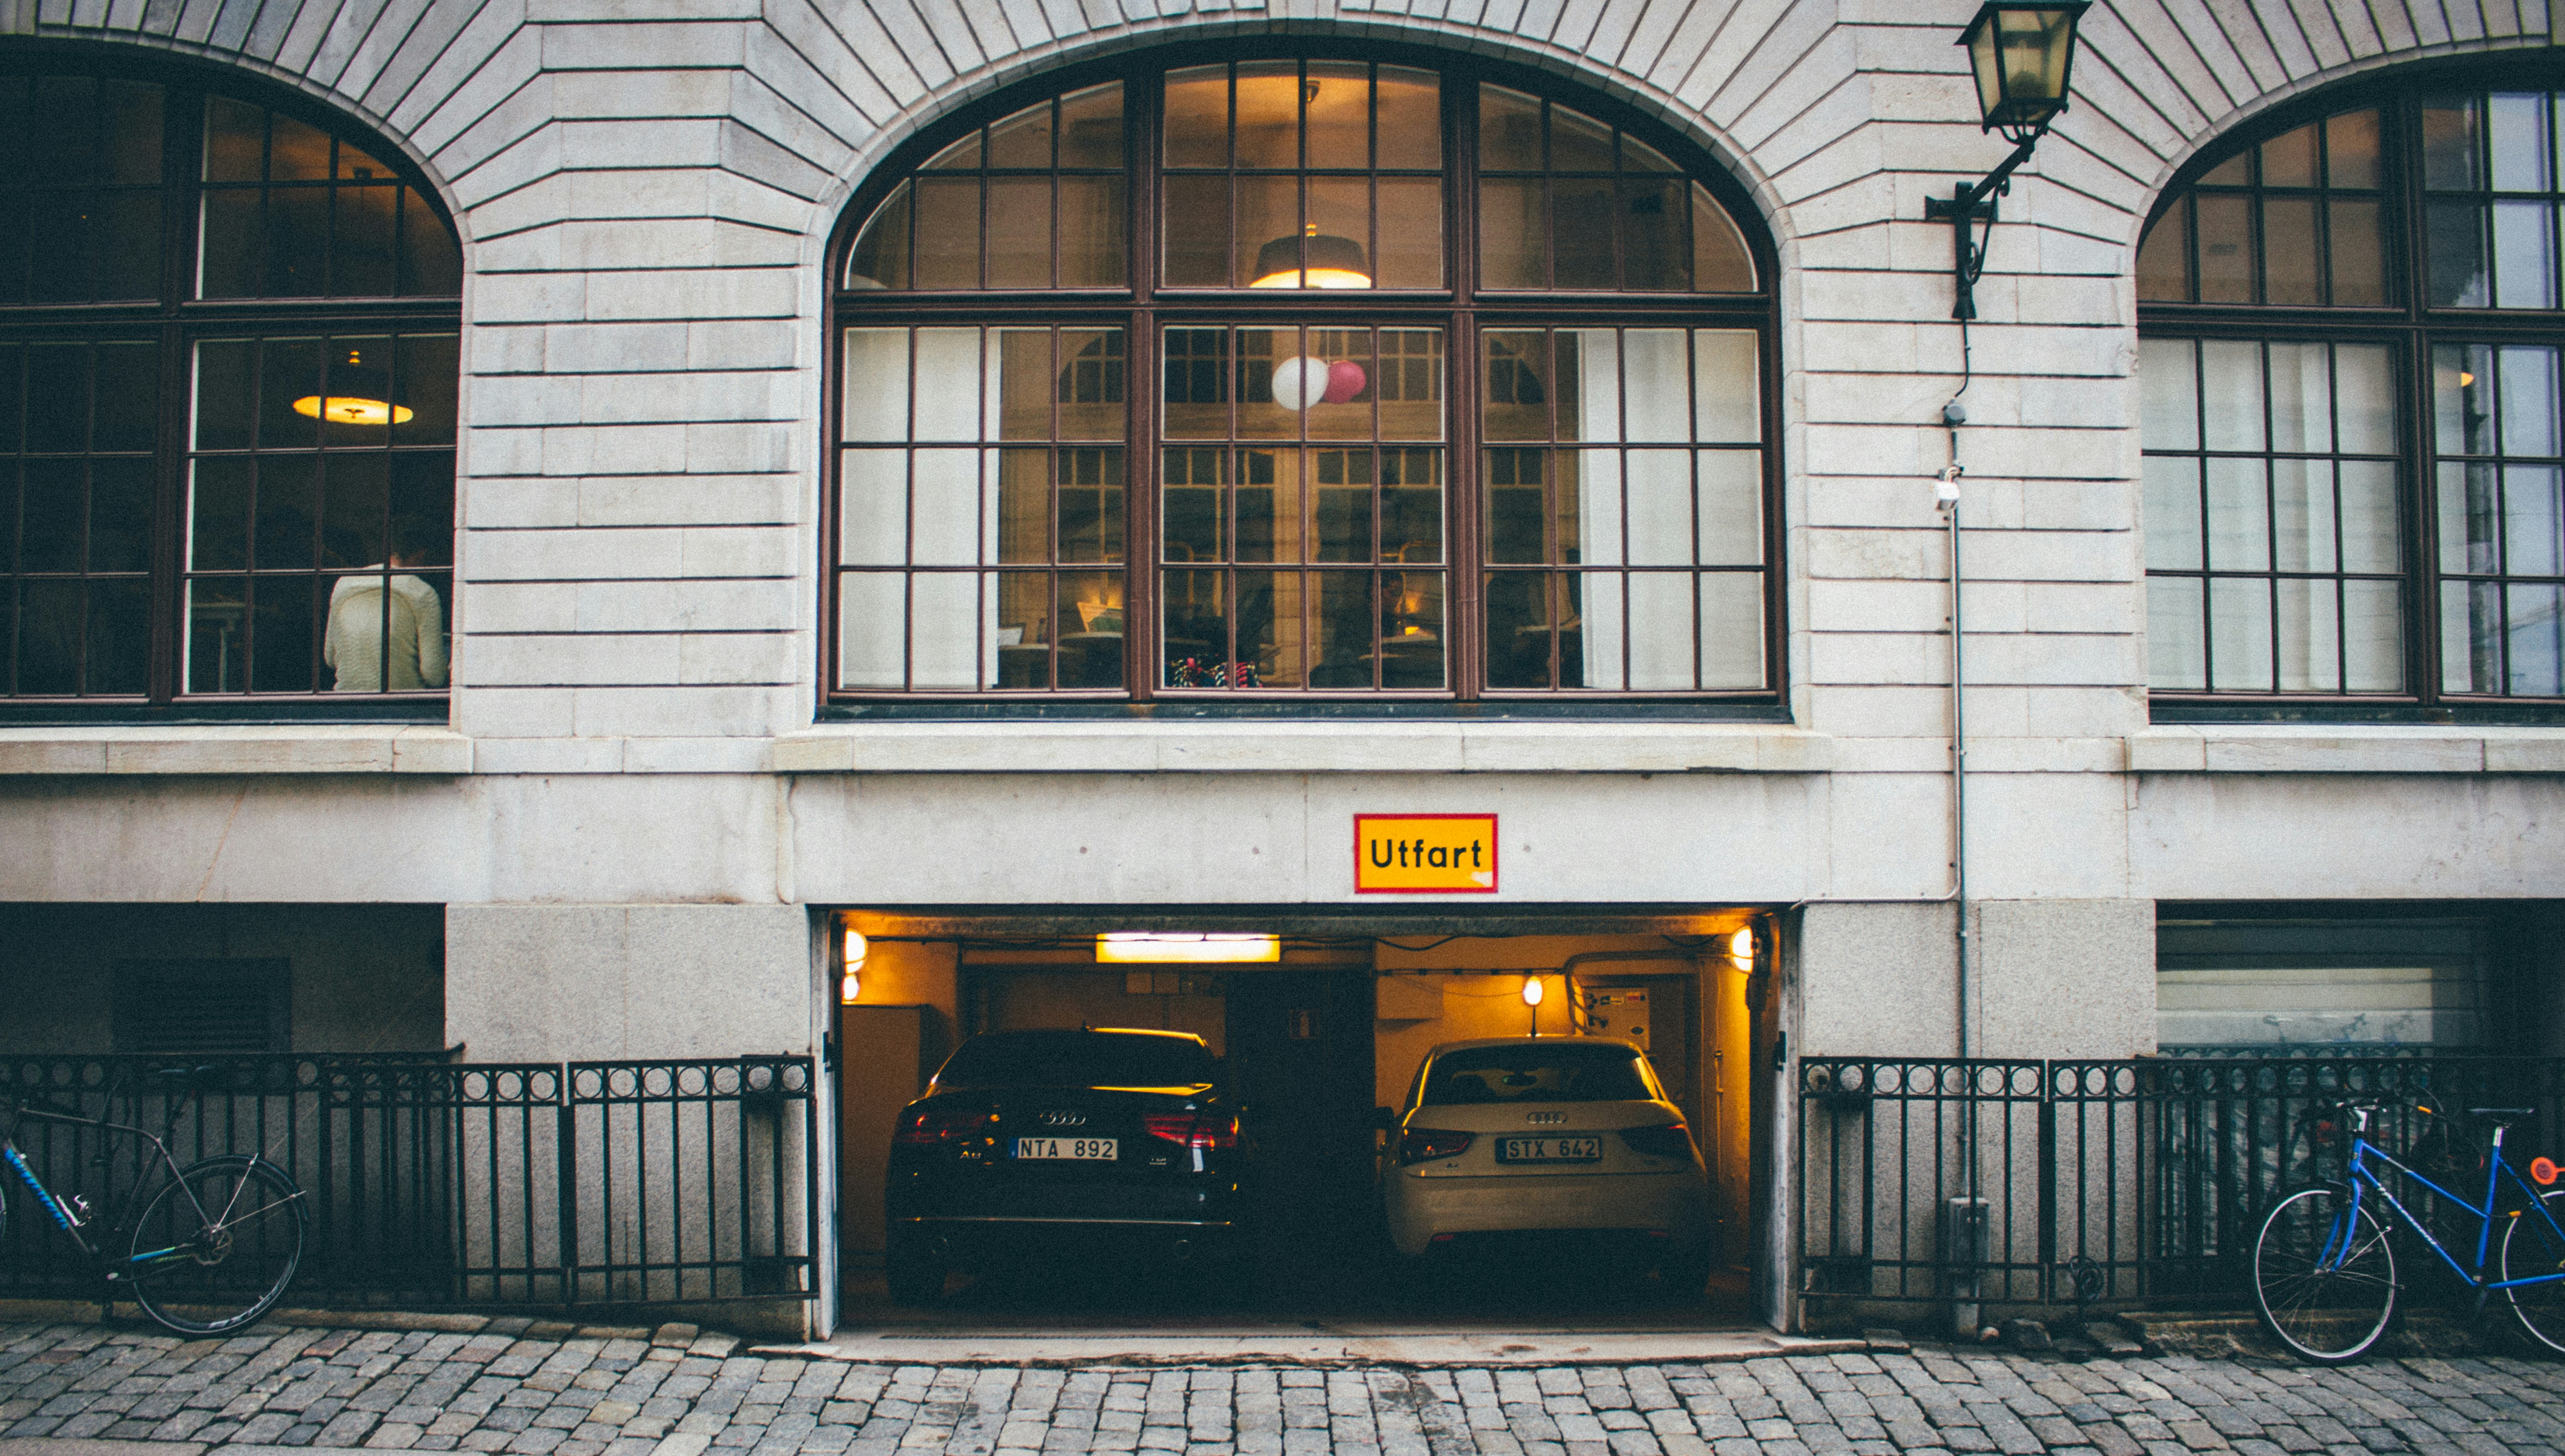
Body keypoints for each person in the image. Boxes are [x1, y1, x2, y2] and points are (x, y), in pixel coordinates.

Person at [324, 516, 448, 691]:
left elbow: (330, 658)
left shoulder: (345, 584)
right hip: (403, 704)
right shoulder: (423, 593)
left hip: (347, 698)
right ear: (422, 555)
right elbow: (434, 675)